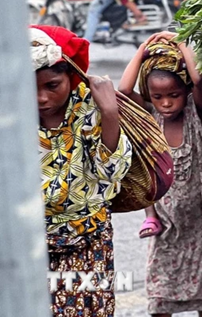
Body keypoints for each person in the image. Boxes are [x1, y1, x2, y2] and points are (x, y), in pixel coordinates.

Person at [118, 32, 202, 317]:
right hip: (166, 226)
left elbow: (200, 79)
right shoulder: (150, 117)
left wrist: (180, 44)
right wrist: (143, 50)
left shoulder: (197, 114)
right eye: (158, 96)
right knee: (159, 300)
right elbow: (124, 93)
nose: (166, 103)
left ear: (186, 93)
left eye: (174, 95)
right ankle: (148, 217)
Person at [32, 25, 132, 317]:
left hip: (86, 241)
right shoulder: (12, 115)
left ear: (71, 77)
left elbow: (111, 172)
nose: (41, 98)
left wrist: (110, 113)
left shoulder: (89, 109)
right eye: (31, 87)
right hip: (29, 243)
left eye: (52, 86)